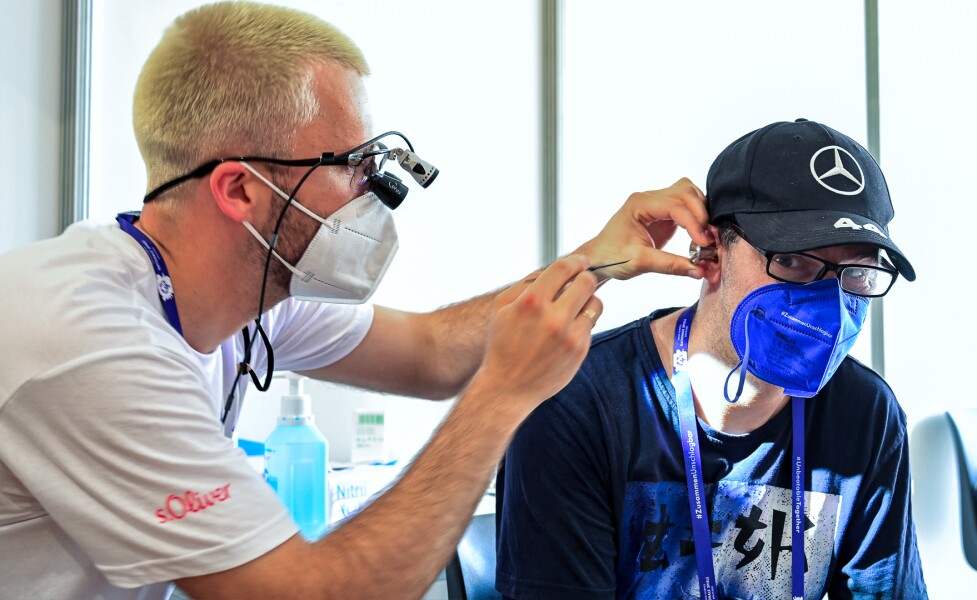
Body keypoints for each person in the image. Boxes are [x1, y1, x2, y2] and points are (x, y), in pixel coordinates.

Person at [0, 3, 713, 599]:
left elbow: (432, 353)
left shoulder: (249, 293)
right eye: (352, 167)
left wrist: (595, 261)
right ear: (240, 189)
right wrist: (501, 397)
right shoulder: (89, 343)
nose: (377, 193)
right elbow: (311, 593)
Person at [496, 118, 929, 599]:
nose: (827, 303)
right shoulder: (578, 402)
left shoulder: (865, 413)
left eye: (858, 273)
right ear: (711, 254)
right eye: (791, 260)